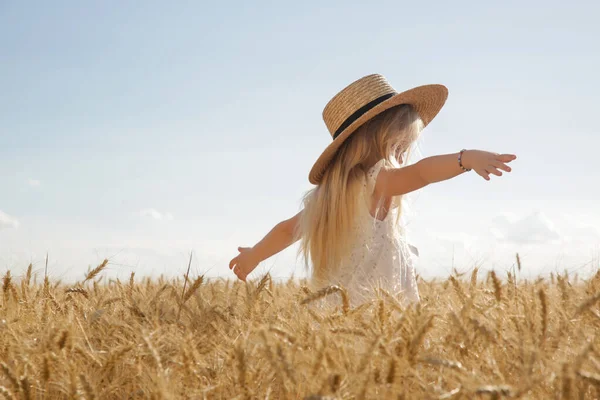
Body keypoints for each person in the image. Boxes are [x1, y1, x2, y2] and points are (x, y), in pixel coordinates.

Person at [229, 74, 516, 306]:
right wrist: (464, 159)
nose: (404, 153)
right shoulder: (377, 181)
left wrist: (253, 255)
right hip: (372, 310)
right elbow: (421, 173)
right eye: (400, 146)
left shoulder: (332, 197)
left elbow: (286, 230)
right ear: (379, 140)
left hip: (337, 309)